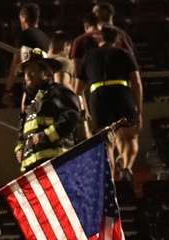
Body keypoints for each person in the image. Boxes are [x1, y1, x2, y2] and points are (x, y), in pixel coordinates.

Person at [80, 24, 143, 179]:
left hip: (98, 97)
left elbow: (77, 89)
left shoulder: (88, 56)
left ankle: (109, 180)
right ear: (117, 39)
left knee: (106, 143)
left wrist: (86, 112)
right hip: (122, 93)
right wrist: (139, 111)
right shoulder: (125, 53)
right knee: (130, 136)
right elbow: (136, 82)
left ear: (99, 38)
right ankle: (126, 168)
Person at [16, 49, 85, 174]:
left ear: (46, 72)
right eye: (26, 73)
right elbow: (23, 130)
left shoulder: (57, 92)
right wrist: (20, 148)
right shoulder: (30, 104)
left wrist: (47, 135)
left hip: (56, 165)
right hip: (32, 169)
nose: (28, 76)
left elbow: (72, 117)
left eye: (32, 70)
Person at [2, 4, 50, 107]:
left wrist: (8, 89)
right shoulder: (45, 38)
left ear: (24, 18)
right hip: (46, 84)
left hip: (32, 82)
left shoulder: (23, 36)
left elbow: (16, 62)